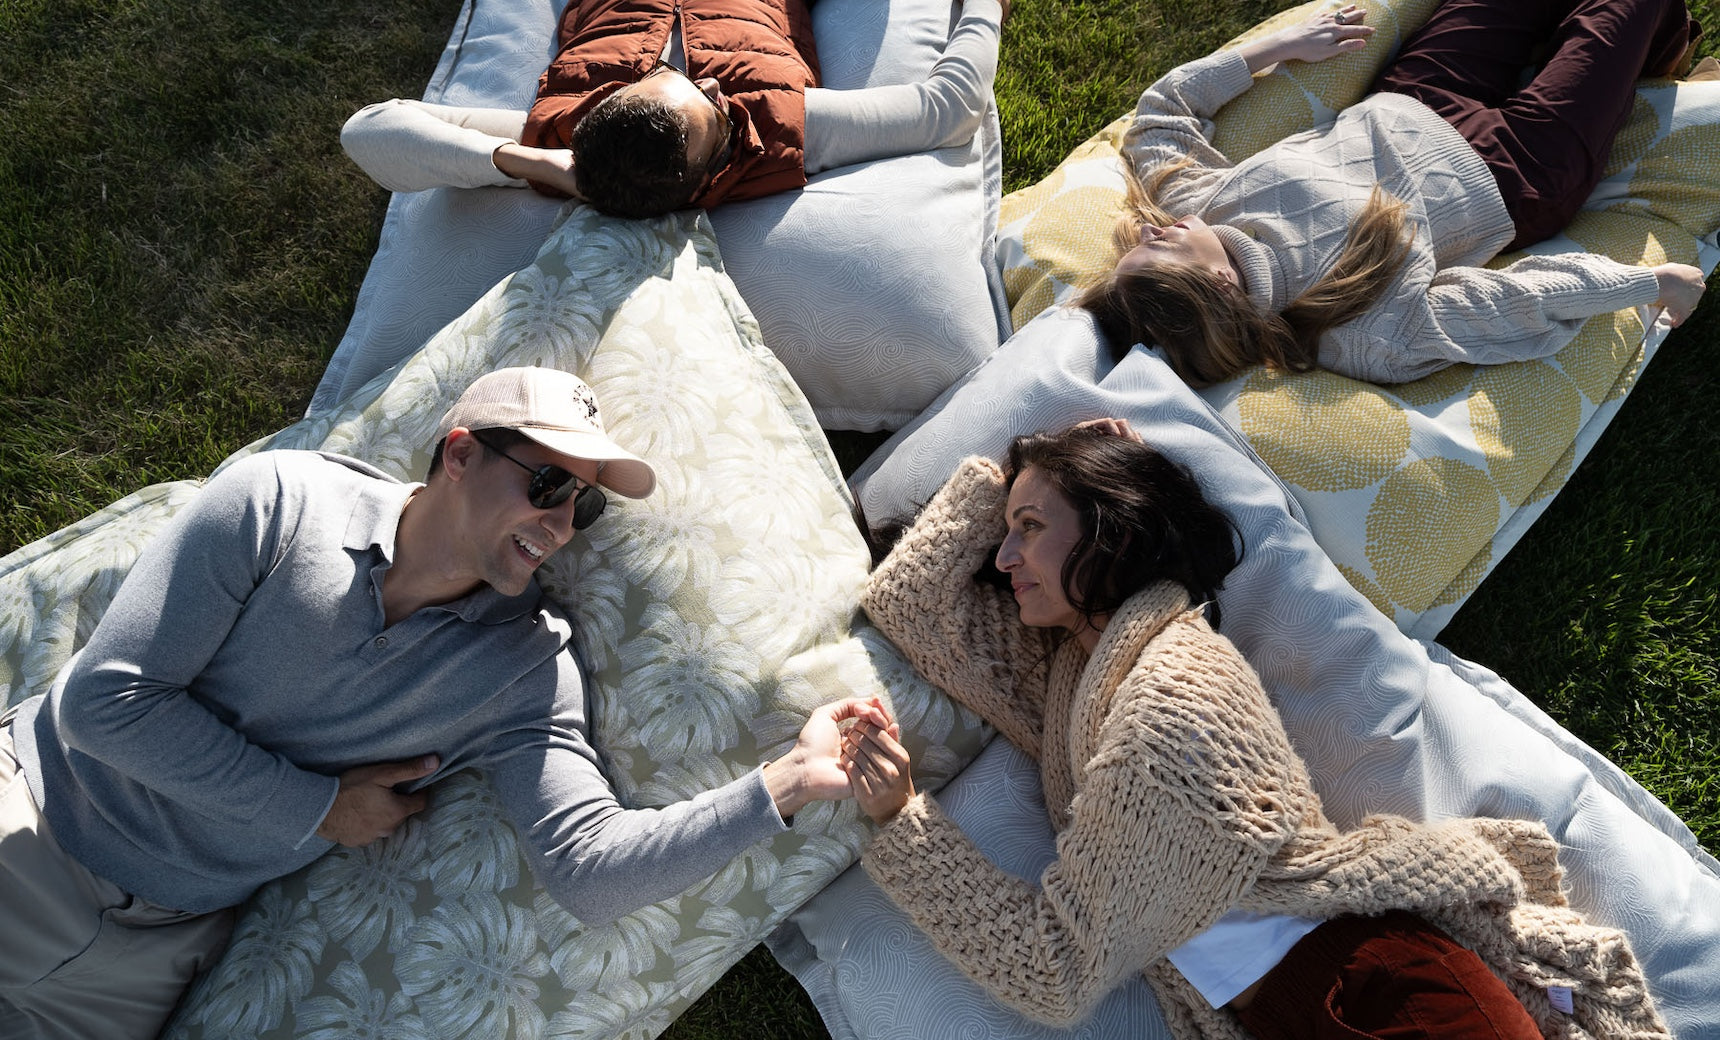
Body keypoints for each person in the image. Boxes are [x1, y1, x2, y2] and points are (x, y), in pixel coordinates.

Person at [0, 366, 888, 1039]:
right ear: (460, 453)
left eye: (585, 506)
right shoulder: (277, 501)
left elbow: (589, 869)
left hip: (149, 948)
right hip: (29, 824)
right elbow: (105, 704)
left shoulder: (525, 669)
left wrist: (785, 784)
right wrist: (319, 809)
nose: (562, 522)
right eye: (547, 484)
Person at [840, 419, 1669, 1039]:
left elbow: (1050, 967)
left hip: (1374, 992)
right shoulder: (1078, 679)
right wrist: (1029, 474)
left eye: (1030, 529)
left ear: (1112, 529)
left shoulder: (1167, 702)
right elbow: (916, 599)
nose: (1005, 557)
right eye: (1009, 531)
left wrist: (901, 823)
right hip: (1298, 1004)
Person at [1077, 0, 1708, 386]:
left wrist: (1280, 47)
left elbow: (1161, 116)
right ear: (1218, 284)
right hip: (1516, 170)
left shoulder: (1204, 206)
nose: (1148, 229)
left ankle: (1643, 45)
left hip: (1418, 91)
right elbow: (1506, 305)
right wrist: (1649, 283)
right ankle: (1665, 42)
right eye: (1157, 248)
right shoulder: (1354, 332)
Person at [340, 0, 1005, 219]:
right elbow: (948, 106)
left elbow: (367, 130)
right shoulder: (776, 128)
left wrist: (538, 161)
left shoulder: (575, 132)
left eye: (665, 78)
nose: (713, 86)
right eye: (715, 110)